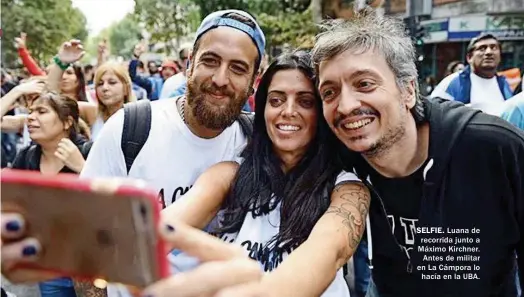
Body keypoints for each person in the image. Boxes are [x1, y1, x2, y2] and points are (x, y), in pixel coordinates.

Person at [1, 9, 266, 297]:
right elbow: (86, 245)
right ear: (189, 65)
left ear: (254, 79)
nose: (220, 78)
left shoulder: (257, 142)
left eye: (238, 68)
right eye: (210, 61)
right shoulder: (131, 128)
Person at [311, 10, 524, 297]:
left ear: (409, 90)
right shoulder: (339, 153)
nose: (346, 105)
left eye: (365, 84)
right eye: (329, 92)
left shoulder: (494, 148)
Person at [9, 92, 92, 297]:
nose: (30, 117)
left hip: (91, 262)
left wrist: (82, 168)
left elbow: (115, 201)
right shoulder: (26, 157)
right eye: (30, 112)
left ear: (67, 122)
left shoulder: (90, 151)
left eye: (41, 111)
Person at [431, 33, 513, 115]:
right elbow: (434, 113)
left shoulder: (504, 83)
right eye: (482, 48)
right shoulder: (454, 82)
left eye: (494, 47)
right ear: (469, 57)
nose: (489, 52)